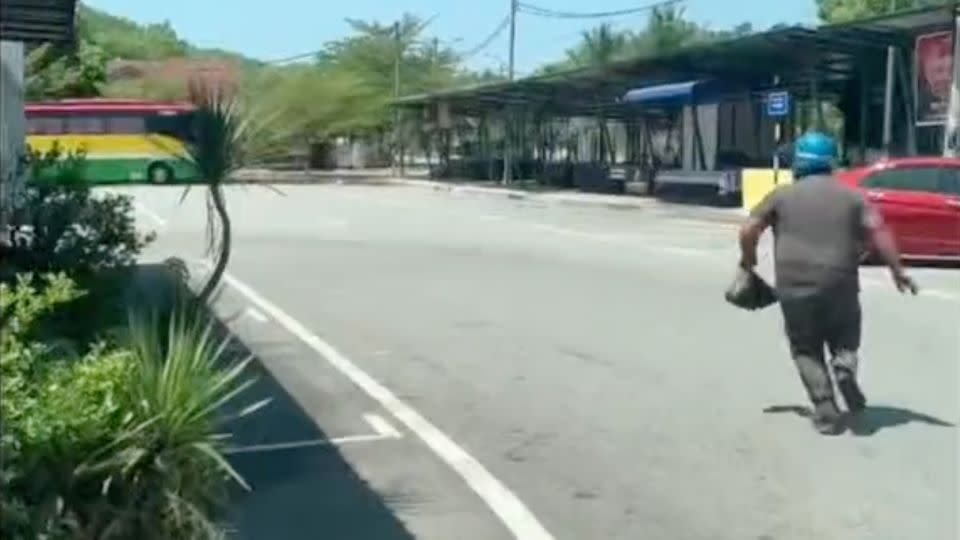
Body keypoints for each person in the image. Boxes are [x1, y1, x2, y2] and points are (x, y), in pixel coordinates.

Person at [738, 132, 918, 435]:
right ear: (832, 163)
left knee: (805, 349)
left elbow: (748, 230)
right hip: (841, 283)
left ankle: (825, 408)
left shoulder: (781, 195)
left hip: (794, 286)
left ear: (798, 163)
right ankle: (845, 365)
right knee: (845, 337)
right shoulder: (852, 196)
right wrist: (897, 271)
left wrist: (749, 260)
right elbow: (880, 232)